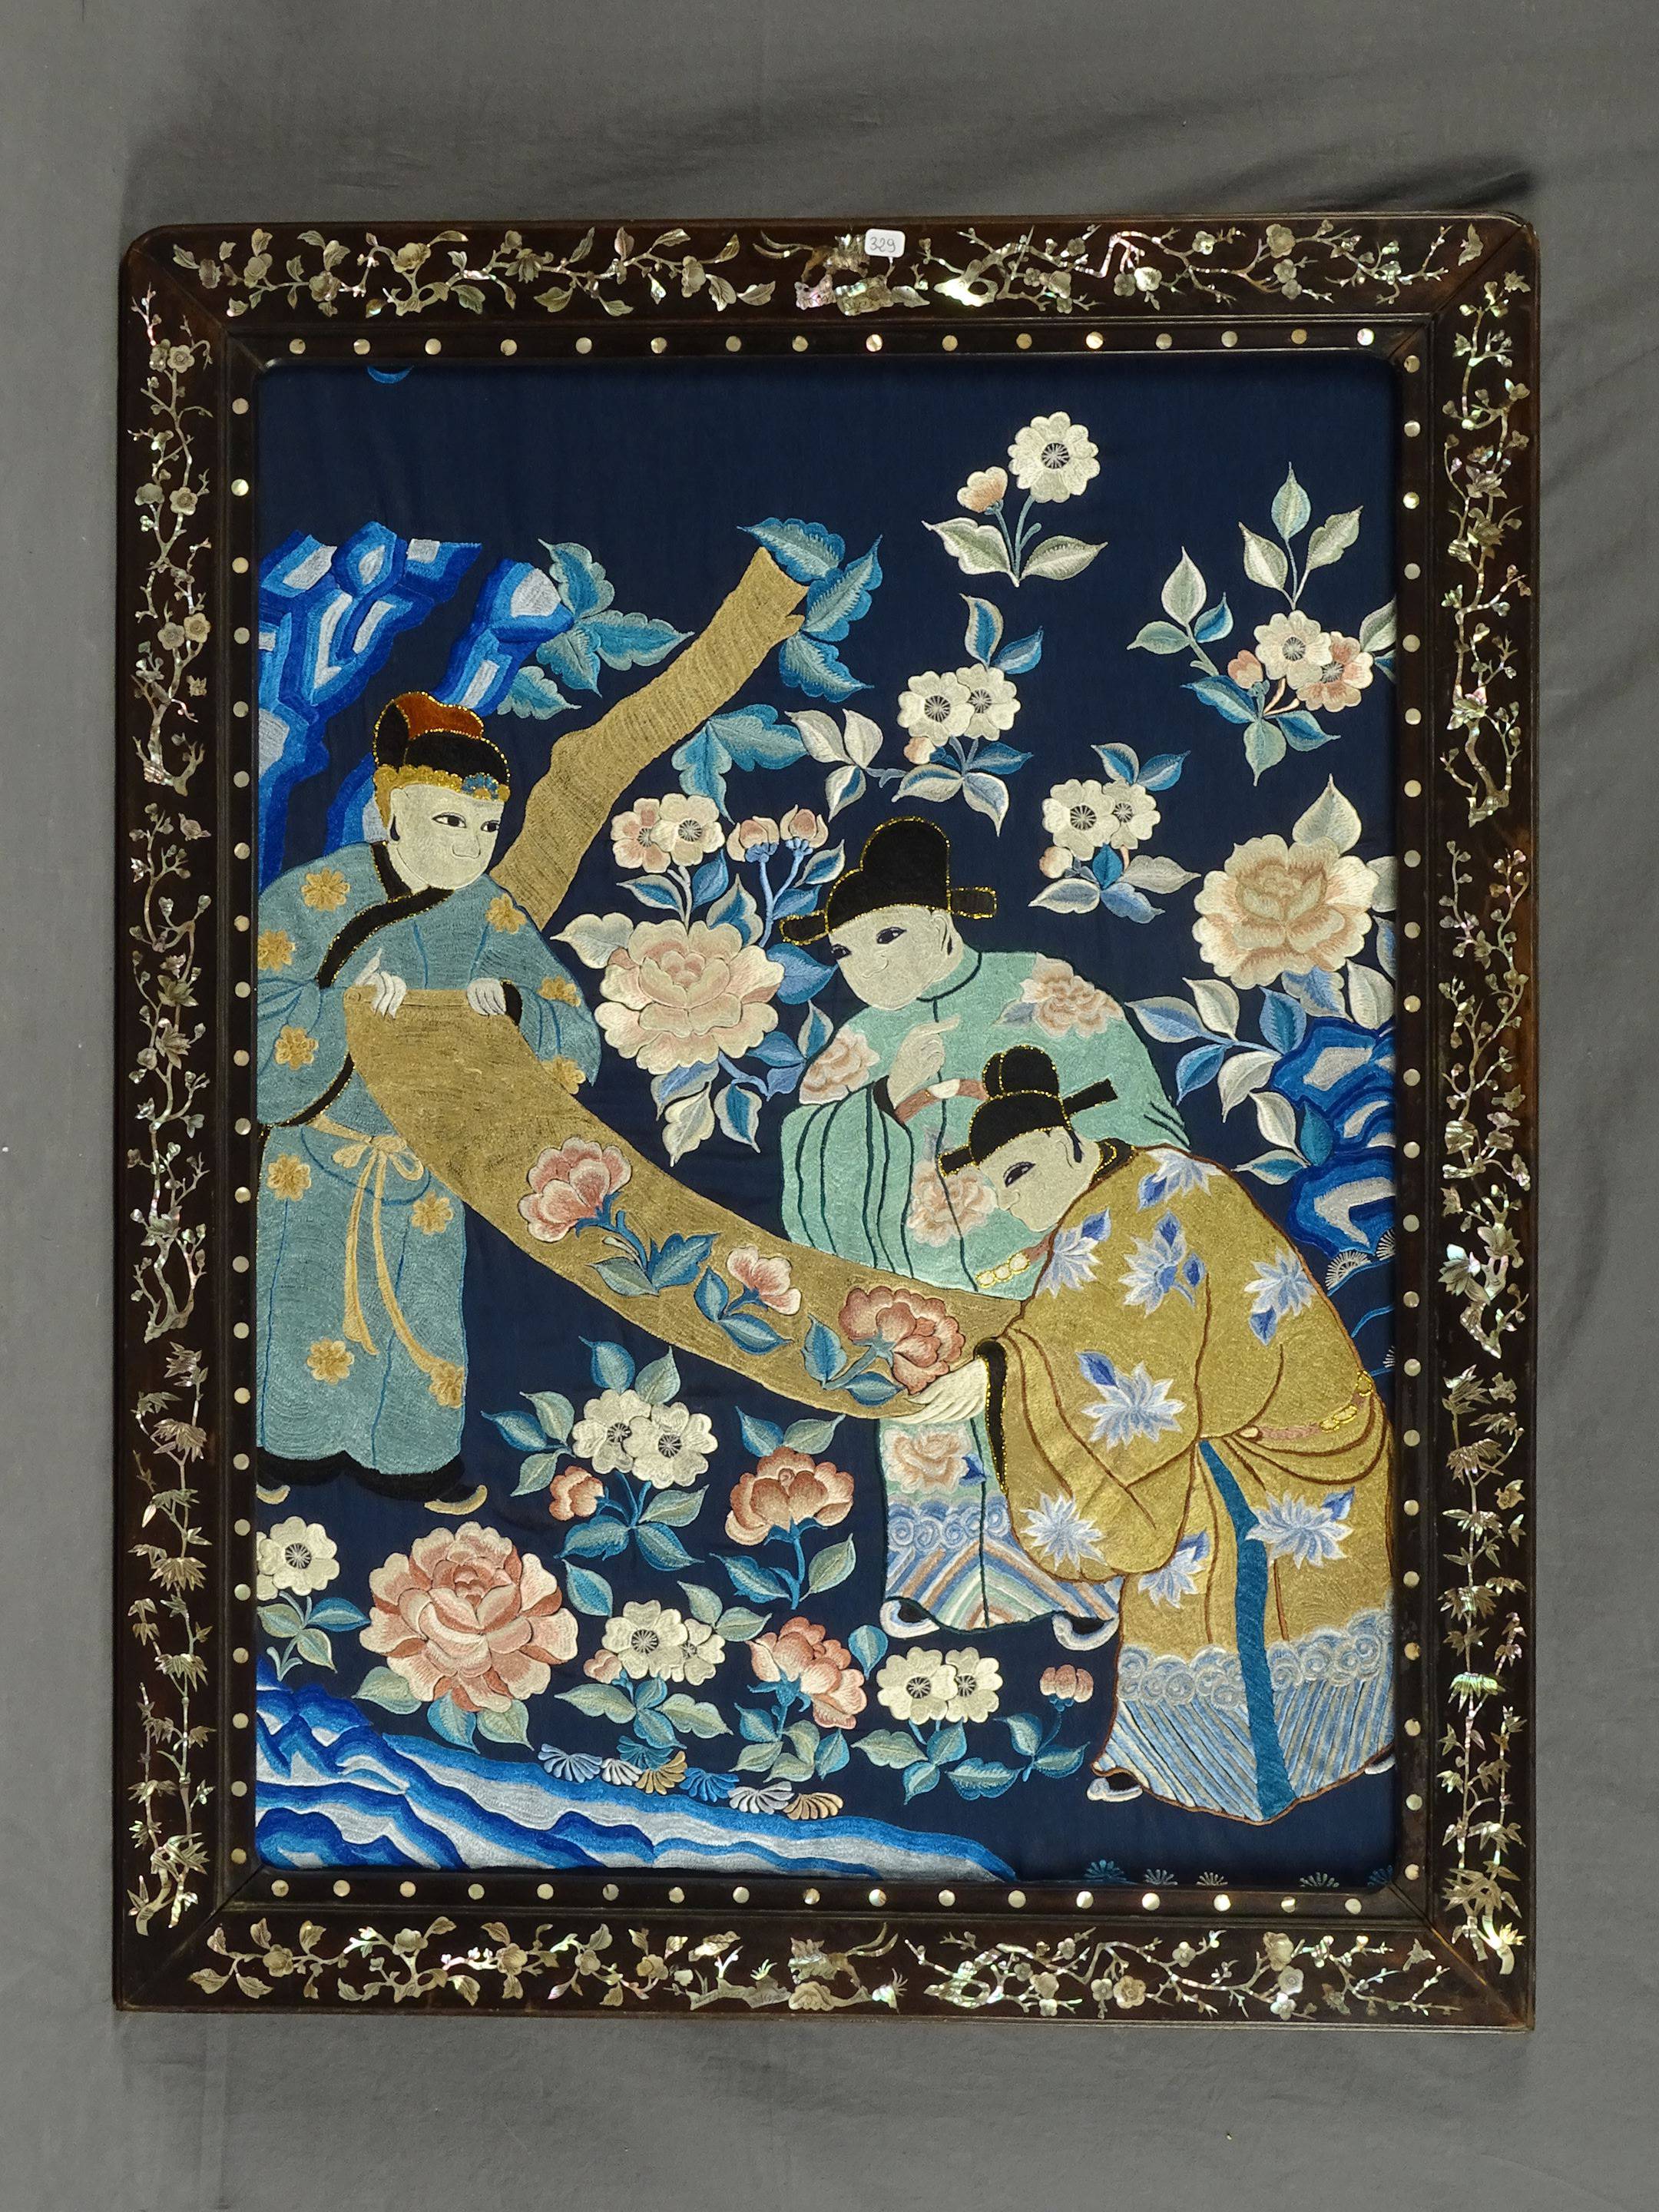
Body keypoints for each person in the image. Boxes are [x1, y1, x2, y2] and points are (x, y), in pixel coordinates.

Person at [889, 1046, 1393, 1824]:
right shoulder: (1116, 1197)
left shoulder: (1157, 1190)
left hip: (1291, 1430)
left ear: (1062, 1140)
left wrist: (997, 1372)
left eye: (1020, 1174)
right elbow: (1090, 1328)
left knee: (1227, 1569)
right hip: (1223, 1432)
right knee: (1184, 1565)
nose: (1017, 1205)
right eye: (1000, 1192)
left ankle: (1327, 1744)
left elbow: (1107, 1336)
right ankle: (1187, 1761)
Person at [777, 816, 1186, 1642]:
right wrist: (883, 1103)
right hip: (919, 1294)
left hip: (1046, 1278)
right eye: (847, 952)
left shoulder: (1044, 990)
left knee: (1058, 1426)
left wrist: (1064, 1180)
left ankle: (1081, 1588)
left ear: (941, 920)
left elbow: (1146, 1128)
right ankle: (935, 1588)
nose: (867, 966)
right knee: (932, 1439)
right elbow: (806, 1168)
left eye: (888, 935)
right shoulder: (858, 1043)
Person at [255, 691, 601, 1511]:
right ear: (391, 810)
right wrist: (342, 1006)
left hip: (426, 1163)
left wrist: (512, 1007)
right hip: (317, 1154)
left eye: (486, 828)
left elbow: (574, 1036)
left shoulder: (489, 914)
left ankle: (413, 1465)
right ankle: (280, 1452)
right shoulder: (315, 895)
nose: (470, 846)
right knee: (300, 1309)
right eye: (450, 821)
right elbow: (254, 1008)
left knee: (422, 1322)